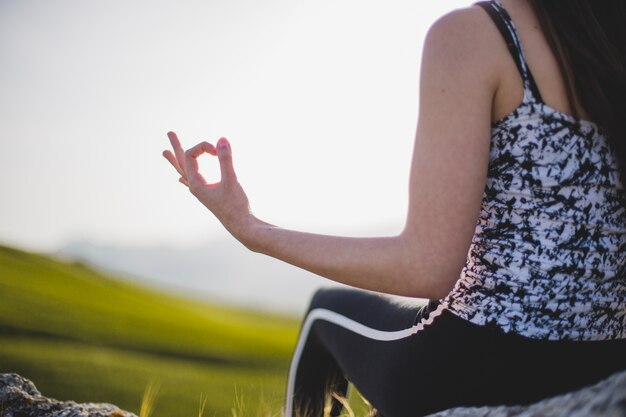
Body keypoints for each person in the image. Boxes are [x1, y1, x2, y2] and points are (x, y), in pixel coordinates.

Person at [163, 0, 626, 415]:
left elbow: (428, 267)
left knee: (323, 313)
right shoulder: (609, 45)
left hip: (484, 365)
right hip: (606, 363)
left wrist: (251, 230)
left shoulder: (478, 35)